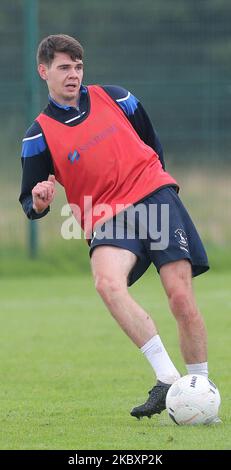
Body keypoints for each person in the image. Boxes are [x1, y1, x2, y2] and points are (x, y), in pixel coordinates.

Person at [19, 34, 216, 421]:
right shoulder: (37, 135)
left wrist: (155, 185)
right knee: (107, 283)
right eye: (63, 67)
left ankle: (201, 393)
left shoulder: (117, 97)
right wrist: (40, 200)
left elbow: (151, 143)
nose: (73, 74)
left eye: (78, 67)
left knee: (179, 297)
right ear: (44, 72)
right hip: (104, 214)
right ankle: (166, 377)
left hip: (153, 197)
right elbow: (30, 201)